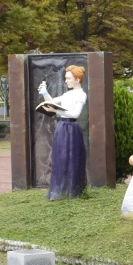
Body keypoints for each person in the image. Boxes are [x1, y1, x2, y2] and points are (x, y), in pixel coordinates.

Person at [38, 65, 88, 200]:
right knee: (60, 157)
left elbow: (75, 114)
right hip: (62, 127)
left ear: (77, 80)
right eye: (66, 78)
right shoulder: (67, 94)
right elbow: (51, 102)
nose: (66, 81)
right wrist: (44, 92)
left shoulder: (81, 95)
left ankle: (71, 189)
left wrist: (56, 111)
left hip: (71, 128)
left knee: (70, 158)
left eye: (68, 78)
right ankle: (59, 189)